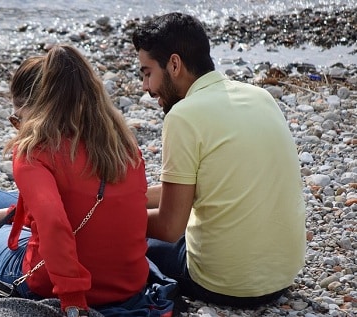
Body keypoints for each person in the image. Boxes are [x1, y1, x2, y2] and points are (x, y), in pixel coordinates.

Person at [0, 46, 151, 316]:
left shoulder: (35, 150)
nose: (18, 127)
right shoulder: (123, 145)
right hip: (128, 286)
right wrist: (11, 215)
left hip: (53, 285)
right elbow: (98, 210)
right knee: (11, 210)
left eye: (17, 119)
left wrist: (73, 300)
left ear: (36, 111)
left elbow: (54, 222)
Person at [131, 12, 306, 308]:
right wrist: (130, 198)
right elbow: (210, 184)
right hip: (282, 274)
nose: (146, 88)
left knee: (134, 240)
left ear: (174, 64)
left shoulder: (183, 116)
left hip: (225, 283)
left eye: (147, 73)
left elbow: (170, 226)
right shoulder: (260, 96)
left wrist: (109, 217)